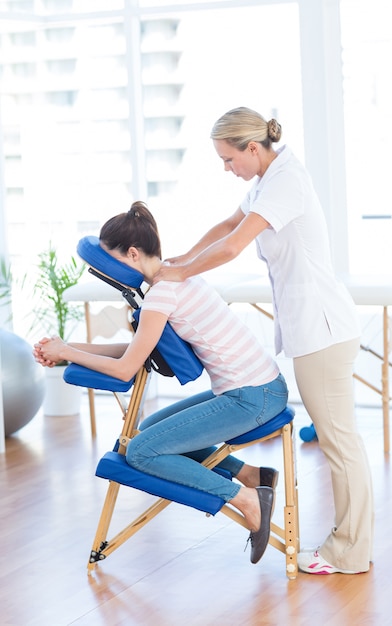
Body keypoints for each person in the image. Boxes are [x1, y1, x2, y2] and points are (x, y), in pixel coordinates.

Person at [154, 107, 374, 575]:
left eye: (229, 159)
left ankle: (349, 552)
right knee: (341, 442)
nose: (227, 169)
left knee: (340, 444)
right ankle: (349, 545)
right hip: (312, 330)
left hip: (323, 331)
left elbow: (234, 247)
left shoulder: (286, 181)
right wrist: (183, 256)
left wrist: (180, 273)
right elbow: (226, 228)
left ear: (252, 148)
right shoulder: (264, 181)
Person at [33, 200, 289, 565]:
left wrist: (67, 352)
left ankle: (243, 498)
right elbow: (138, 349)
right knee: (149, 429)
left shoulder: (161, 293)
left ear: (133, 254)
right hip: (260, 388)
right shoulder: (173, 273)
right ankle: (251, 474)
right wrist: (66, 349)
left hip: (251, 398)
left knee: (141, 451)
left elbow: (125, 369)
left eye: (113, 261)